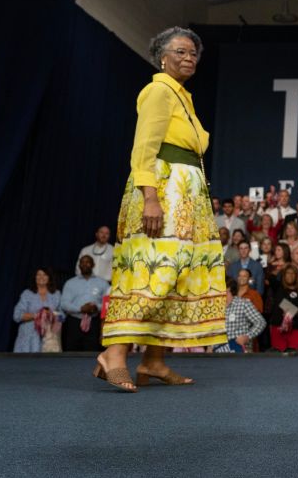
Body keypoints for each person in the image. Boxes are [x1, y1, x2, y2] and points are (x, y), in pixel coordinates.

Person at [97, 27, 226, 392]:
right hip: (162, 187)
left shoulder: (183, 96)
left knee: (180, 274)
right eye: (181, 51)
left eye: (194, 53)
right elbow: (144, 148)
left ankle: (154, 361)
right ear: (162, 57)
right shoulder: (158, 91)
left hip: (186, 192)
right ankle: (114, 354)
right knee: (152, 271)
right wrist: (150, 197)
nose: (190, 58)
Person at [60, 255, 110, 351]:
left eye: (87, 262)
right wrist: (80, 309)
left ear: (93, 265)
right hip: (74, 322)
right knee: (72, 353)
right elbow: (64, 304)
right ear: (79, 265)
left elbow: (107, 303)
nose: (84, 264)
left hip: (94, 322)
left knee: (92, 353)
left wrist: (97, 307)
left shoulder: (102, 283)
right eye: (82, 262)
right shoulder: (70, 283)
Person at [13, 268, 63, 353]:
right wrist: (38, 315)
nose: (41, 277)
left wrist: (51, 315)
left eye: (44, 274)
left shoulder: (56, 294)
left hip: (49, 339)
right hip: (28, 338)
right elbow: (16, 315)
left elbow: (62, 316)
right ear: (35, 277)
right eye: (38, 274)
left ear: (49, 277)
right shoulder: (27, 294)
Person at [215, 278, 266, 353]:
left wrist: (247, 336)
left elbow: (261, 322)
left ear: (228, 289)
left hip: (240, 352)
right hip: (220, 352)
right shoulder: (216, 307)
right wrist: (210, 346)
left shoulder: (243, 304)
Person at [268, 265, 298, 352]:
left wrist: (292, 311)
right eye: (287, 273)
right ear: (283, 275)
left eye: (293, 273)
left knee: (294, 353)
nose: (290, 275)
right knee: (278, 353)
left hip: (296, 327)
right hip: (278, 327)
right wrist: (281, 268)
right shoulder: (279, 288)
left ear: (297, 276)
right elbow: (271, 277)